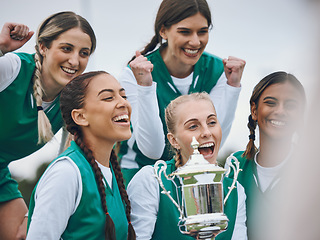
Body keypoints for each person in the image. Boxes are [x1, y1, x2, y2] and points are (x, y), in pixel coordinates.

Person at [118, 0, 246, 185]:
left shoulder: (218, 71)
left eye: (202, 31)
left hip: (193, 176)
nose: (195, 41)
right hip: (139, 175)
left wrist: (232, 88)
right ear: (163, 31)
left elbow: (213, 143)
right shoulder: (134, 74)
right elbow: (152, 150)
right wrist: (145, 87)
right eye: (185, 32)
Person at [0, 11, 96, 239]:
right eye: (66, 49)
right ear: (43, 47)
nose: (75, 61)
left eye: (84, 53)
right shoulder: (13, 69)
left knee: (23, 234)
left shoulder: (71, 103)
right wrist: (1, 48)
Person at [26, 71, 136, 239]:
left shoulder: (111, 172)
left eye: (124, 96)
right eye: (108, 98)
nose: (123, 103)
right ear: (80, 117)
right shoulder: (66, 173)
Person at [127, 92, 247, 239]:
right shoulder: (152, 180)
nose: (206, 132)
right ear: (174, 140)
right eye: (193, 126)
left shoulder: (235, 191)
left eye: (212, 122)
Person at [226, 71, 306, 239]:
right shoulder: (235, 166)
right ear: (254, 110)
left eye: (291, 106)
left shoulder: (311, 170)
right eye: (271, 103)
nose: (280, 111)